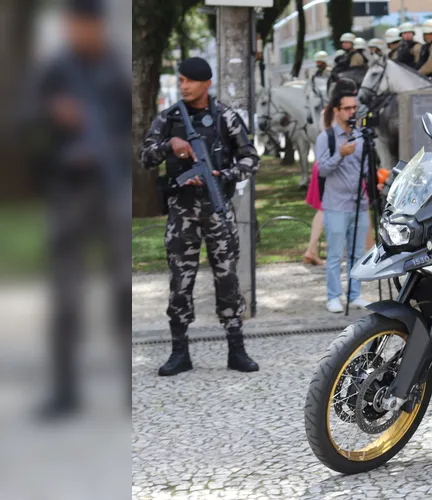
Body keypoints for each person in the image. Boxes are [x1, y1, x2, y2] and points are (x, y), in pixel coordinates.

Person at [31, 0, 131, 416]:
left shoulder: (115, 69)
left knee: (121, 292)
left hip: (111, 189)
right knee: (66, 297)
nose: (81, 33)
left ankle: (129, 391)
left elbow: (133, 125)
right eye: (74, 26)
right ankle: (64, 391)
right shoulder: (56, 70)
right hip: (69, 191)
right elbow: (22, 115)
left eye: (88, 26)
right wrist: (53, 113)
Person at [140, 57, 260, 376]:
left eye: (188, 81)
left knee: (227, 279)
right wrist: (170, 145)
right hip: (182, 213)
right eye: (180, 80)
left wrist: (223, 174)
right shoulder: (168, 118)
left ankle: (236, 349)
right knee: (180, 282)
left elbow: (251, 159)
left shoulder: (226, 118)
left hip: (218, 209)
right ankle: (180, 352)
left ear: (206, 83)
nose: (183, 86)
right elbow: (145, 156)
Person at [315, 93, 372, 313]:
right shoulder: (326, 137)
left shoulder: (361, 136)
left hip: (359, 204)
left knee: (358, 254)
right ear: (336, 111)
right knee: (335, 255)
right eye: (346, 108)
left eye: (353, 108)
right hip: (336, 205)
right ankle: (333, 296)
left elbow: (366, 169)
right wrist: (340, 154)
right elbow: (322, 170)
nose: (351, 112)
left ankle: (355, 294)